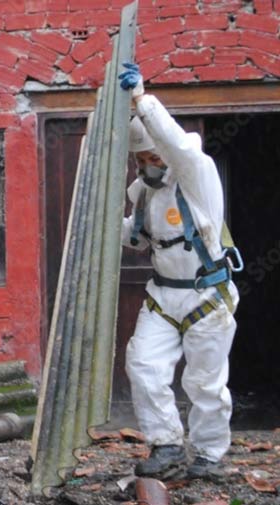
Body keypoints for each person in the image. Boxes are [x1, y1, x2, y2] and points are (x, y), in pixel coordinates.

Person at [119, 62, 239, 480]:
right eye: (142, 157)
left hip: (207, 294)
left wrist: (142, 101)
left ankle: (209, 455)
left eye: (154, 154)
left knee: (204, 384)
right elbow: (136, 237)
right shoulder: (144, 194)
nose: (151, 162)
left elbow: (177, 146)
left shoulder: (196, 174)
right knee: (144, 366)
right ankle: (167, 446)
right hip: (163, 295)